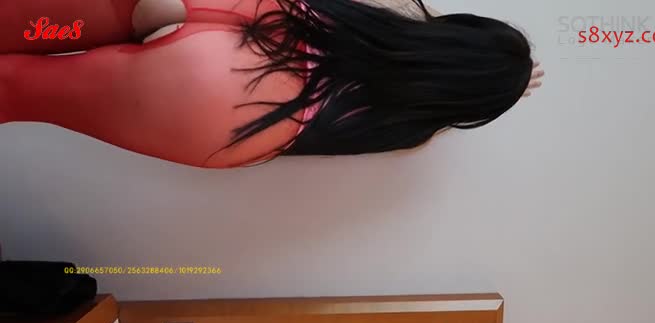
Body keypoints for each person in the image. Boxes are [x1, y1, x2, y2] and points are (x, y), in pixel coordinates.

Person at [0, 0, 544, 168]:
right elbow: (439, 97)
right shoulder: (407, 130)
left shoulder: (387, 20)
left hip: (253, 28)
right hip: (226, 115)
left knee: (36, 19)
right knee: (24, 90)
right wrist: (492, 87)